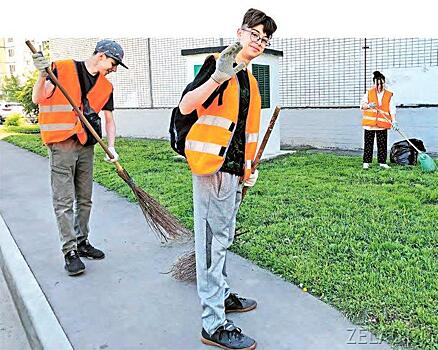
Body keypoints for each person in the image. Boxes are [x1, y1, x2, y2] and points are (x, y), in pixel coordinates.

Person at [178, 8, 277, 350]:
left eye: (265, 38)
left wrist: (249, 168)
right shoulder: (216, 64)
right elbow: (186, 106)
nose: (260, 42)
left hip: (234, 171)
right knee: (210, 244)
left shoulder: (250, 80)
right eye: (255, 34)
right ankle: (213, 323)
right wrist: (218, 77)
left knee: (223, 237)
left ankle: (221, 294)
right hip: (211, 168)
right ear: (240, 32)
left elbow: (247, 132)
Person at [31, 39, 127, 276]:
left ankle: (82, 242)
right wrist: (42, 75)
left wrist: (112, 147)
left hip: (86, 146)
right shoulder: (61, 68)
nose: (113, 69)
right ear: (102, 56)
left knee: (85, 199)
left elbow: (109, 119)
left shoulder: (106, 87)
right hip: (61, 144)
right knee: (64, 201)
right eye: (114, 64)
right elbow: (38, 98)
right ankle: (69, 251)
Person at [360, 70, 398, 169]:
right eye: (377, 84)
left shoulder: (389, 94)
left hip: (382, 125)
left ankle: (382, 162)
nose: (379, 86)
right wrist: (368, 105)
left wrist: (394, 121)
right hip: (370, 124)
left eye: (381, 84)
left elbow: (392, 109)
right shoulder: (369, 93)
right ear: (374, 83)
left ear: (384, 83)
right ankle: (366, 162)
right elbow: (362, 106)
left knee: (382, 144)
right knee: (368, 144)